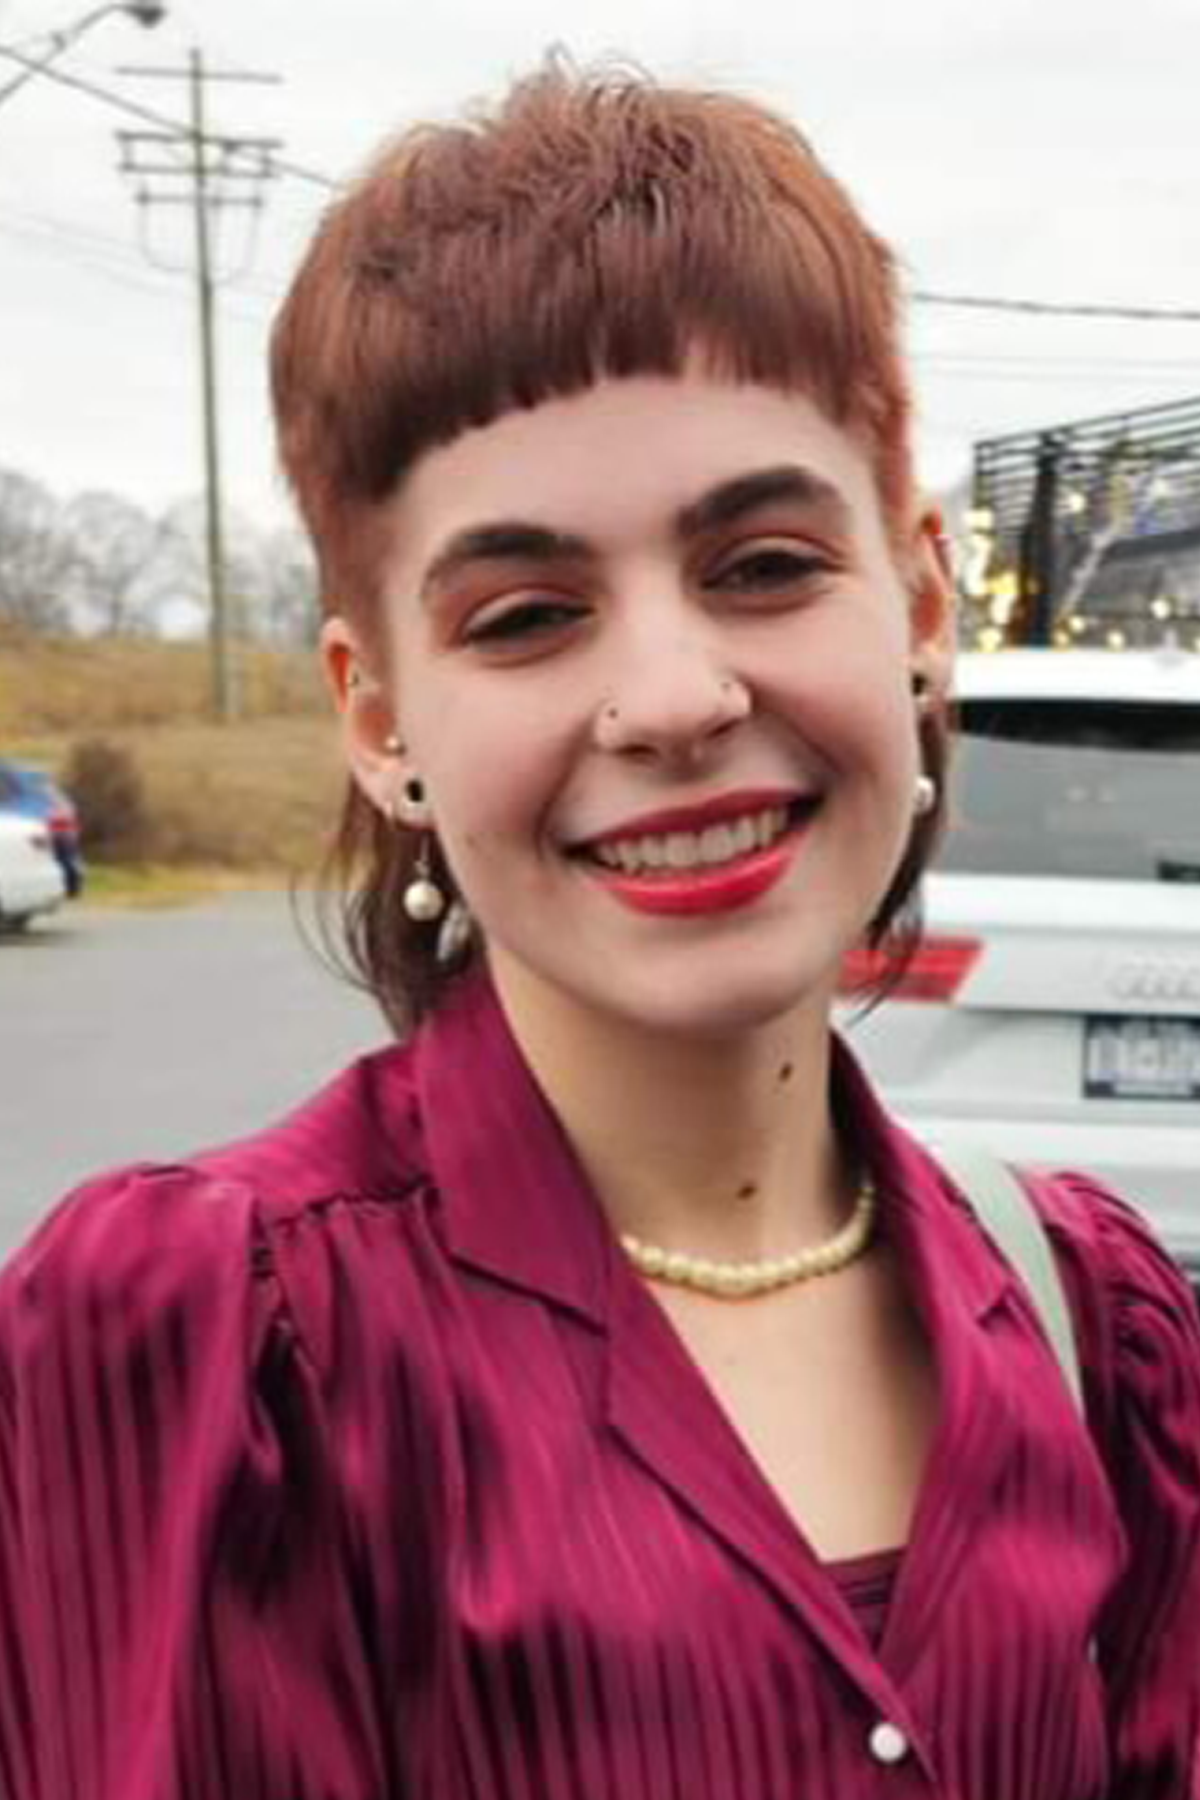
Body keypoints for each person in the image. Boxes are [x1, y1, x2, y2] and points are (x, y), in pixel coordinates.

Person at [1, 62, 1197, 1800]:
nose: (673, 698)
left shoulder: (1100, 1328)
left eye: (766, 565)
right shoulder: (210, 1353)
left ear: (920, 603)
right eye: (529, 613)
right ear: (380, 715)